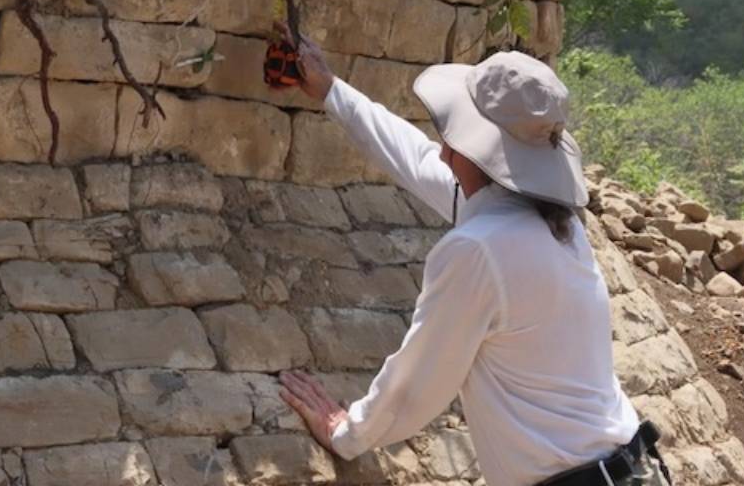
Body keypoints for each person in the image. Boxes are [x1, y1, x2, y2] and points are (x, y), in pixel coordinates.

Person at [277, 29, 672, 486]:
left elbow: (418, 380)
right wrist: (331, 90)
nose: (443, 148)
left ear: (475, 149)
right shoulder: (551, 224)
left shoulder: (482, 250)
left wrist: (346, 433)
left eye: (453, 134)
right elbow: (415, 159)